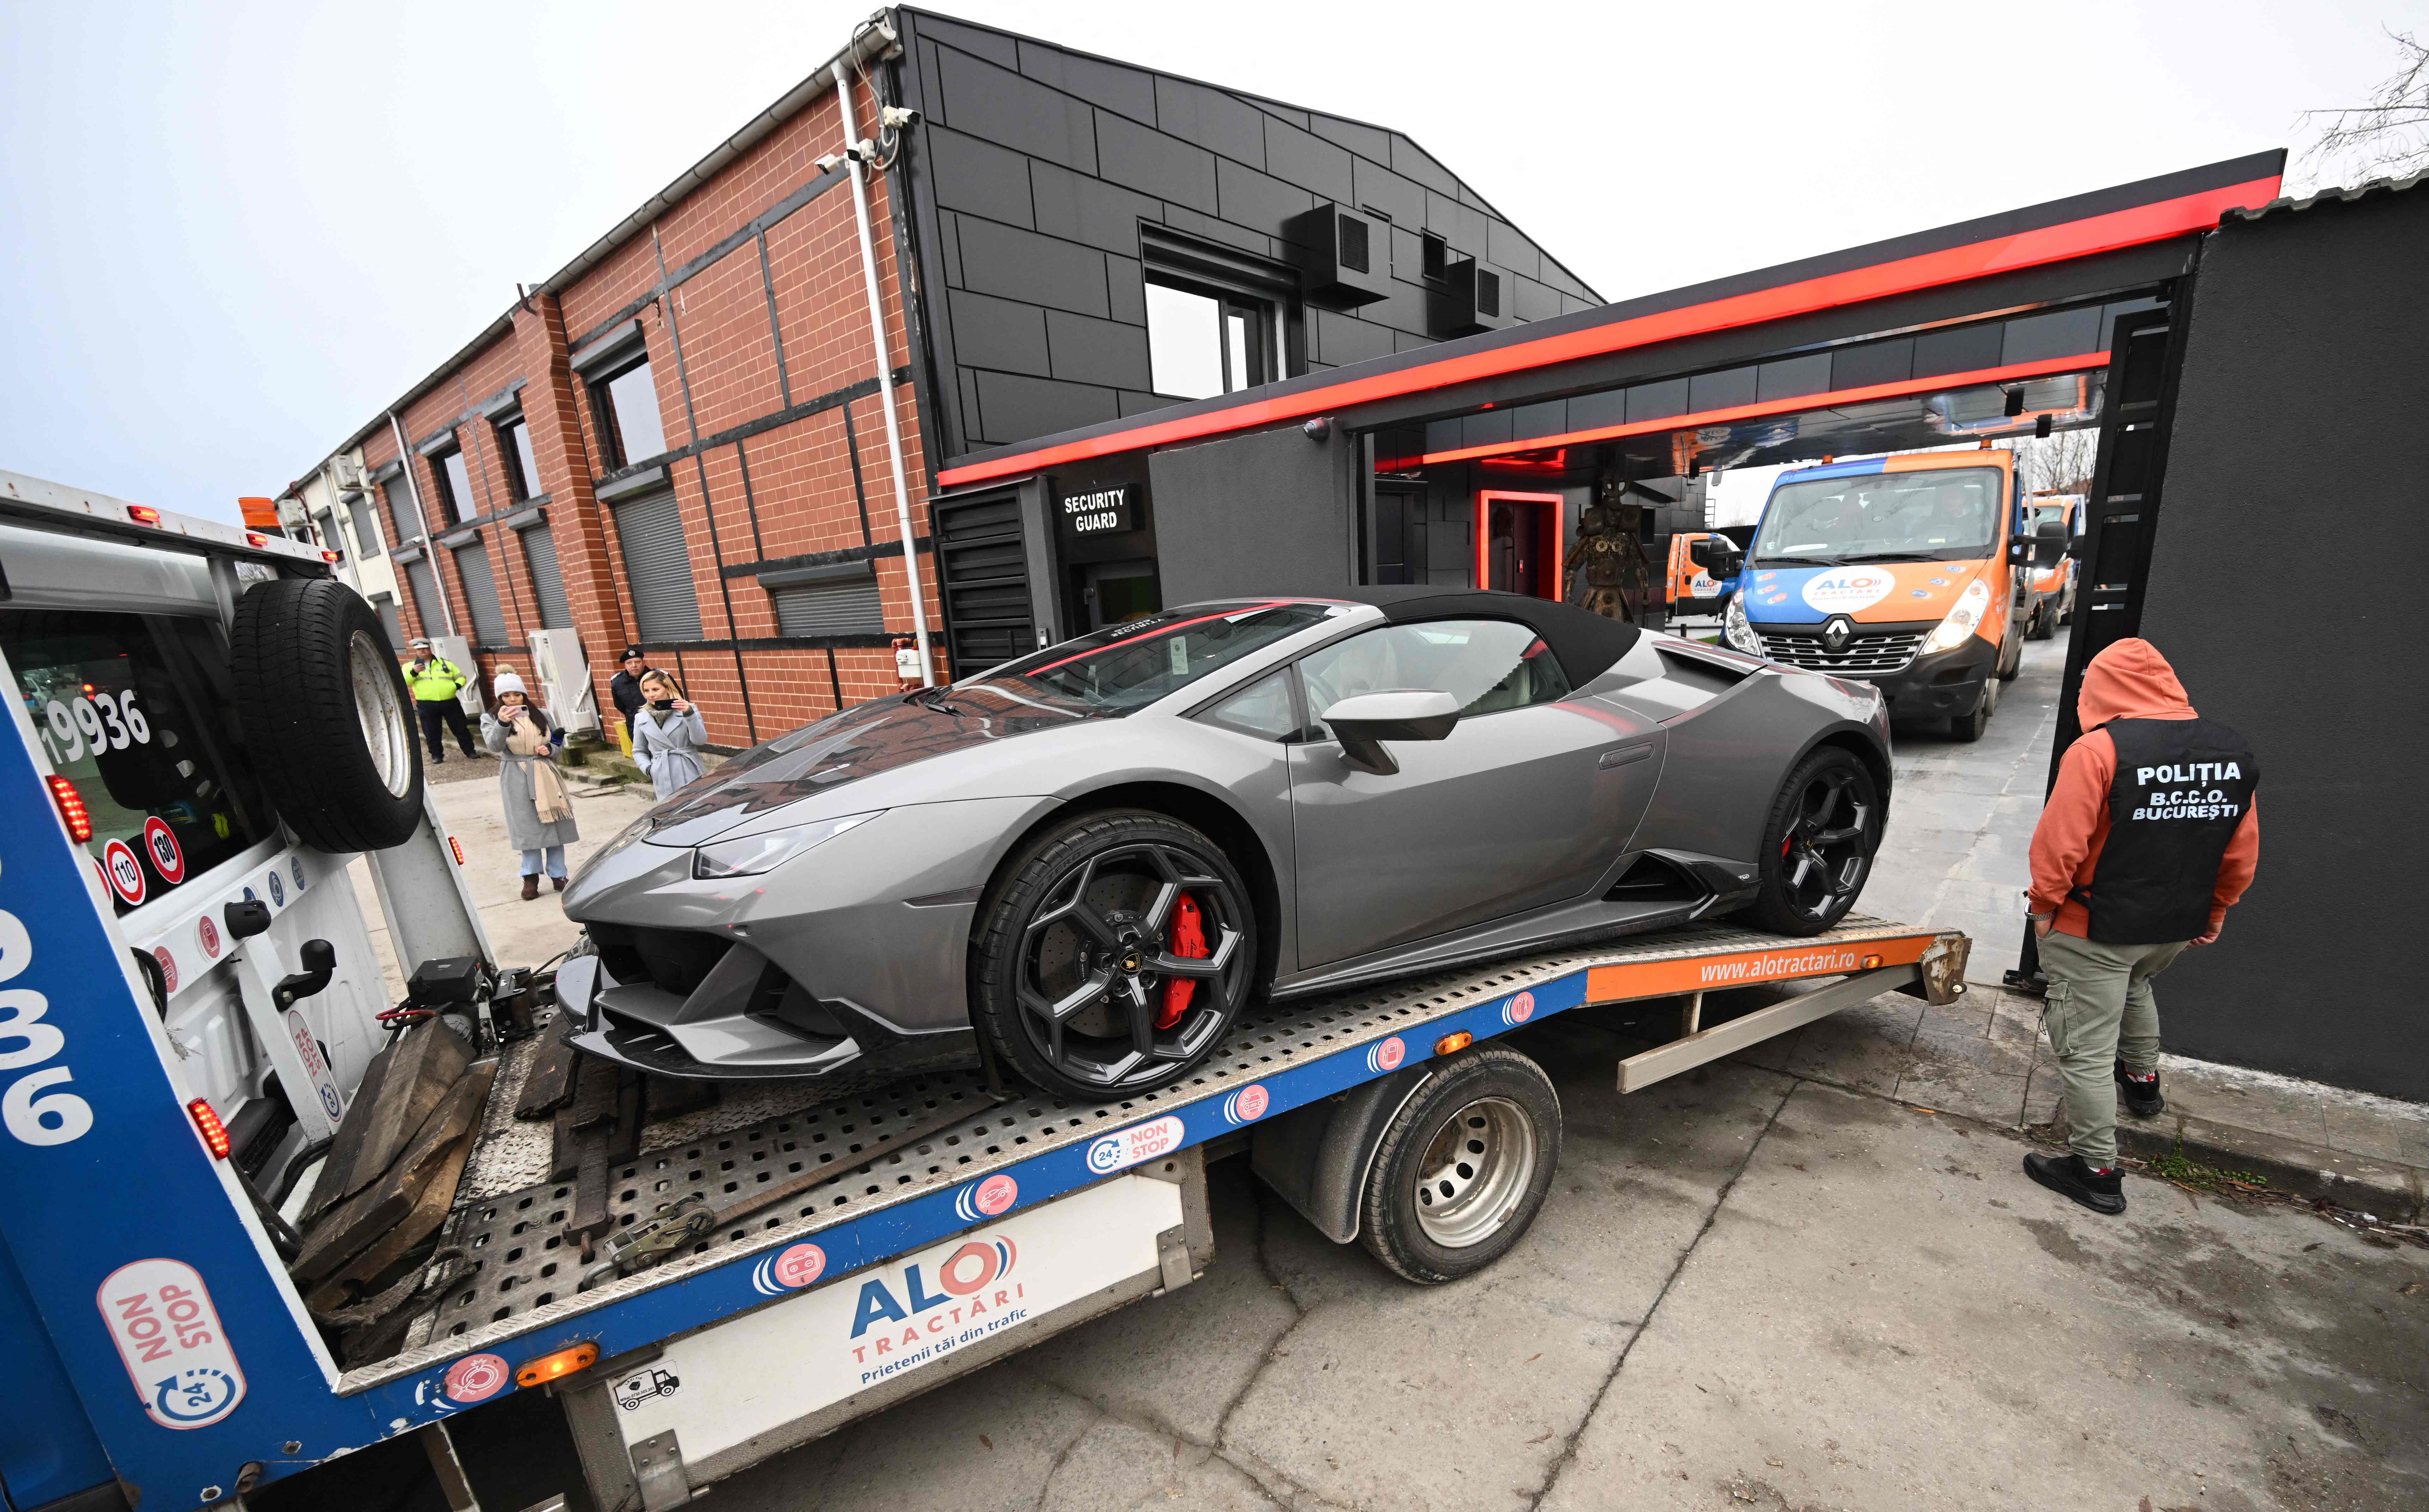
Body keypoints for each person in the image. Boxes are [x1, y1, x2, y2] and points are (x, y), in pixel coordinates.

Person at [2022, 637, 2258, 1215]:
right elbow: (2240, 851)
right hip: (2174, 922)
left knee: (2084, 1046)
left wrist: (2044, 907)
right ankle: (2143, 1084)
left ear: (2101, 689)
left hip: (2094, 925)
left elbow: (2060, 843)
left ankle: (2096, 1169)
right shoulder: (2231, 751)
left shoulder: (2099, 750)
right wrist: (2218, 908)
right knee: (2137, 986)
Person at [480, 672, 581, 900]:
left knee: (555, 823)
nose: (513, 700)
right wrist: (503, 722)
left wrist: (551, 750)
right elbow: (494, 746)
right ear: (500, 698)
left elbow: (557, 741)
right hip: (516, 774)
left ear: (524, 694)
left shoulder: (542, 714)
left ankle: (559, 875)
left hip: (545, 771)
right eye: (506, 696)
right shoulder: (490, 718)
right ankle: (530, 877)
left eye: (517, 694)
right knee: (528, 827)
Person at [630, 670, 709, 799]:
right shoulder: (641, 718)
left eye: (656, 689)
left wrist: (689, 715)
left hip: (689, 769)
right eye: (647, 691)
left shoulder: (688, 709)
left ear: (667, 688)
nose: (651, 695)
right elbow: (639, 751)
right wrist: (650, 769)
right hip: (662, 774)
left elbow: (700, 740)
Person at [404, 639, 476, 762]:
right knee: (431, 732)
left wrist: (456, 686)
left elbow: (461, 677)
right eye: (420, 649)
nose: (423, 651)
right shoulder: (409, 666)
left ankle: (470, 752)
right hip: (427, 704)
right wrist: (414, 672)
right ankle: (437, 756)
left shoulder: (445, 663)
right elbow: (405, 682)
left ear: (430, 649)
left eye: (425, 648)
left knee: (461, 729)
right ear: (416, 651)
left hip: (450, 702)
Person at [608, 646, 649, 756]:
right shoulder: (617, 683)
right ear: (625, 666)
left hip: (660, 725)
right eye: (630, 663)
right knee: (644, 758)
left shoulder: (656, 677)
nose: (634, 666)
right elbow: (620, 706)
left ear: (644, 663)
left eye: (637, 662)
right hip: (636, 727)